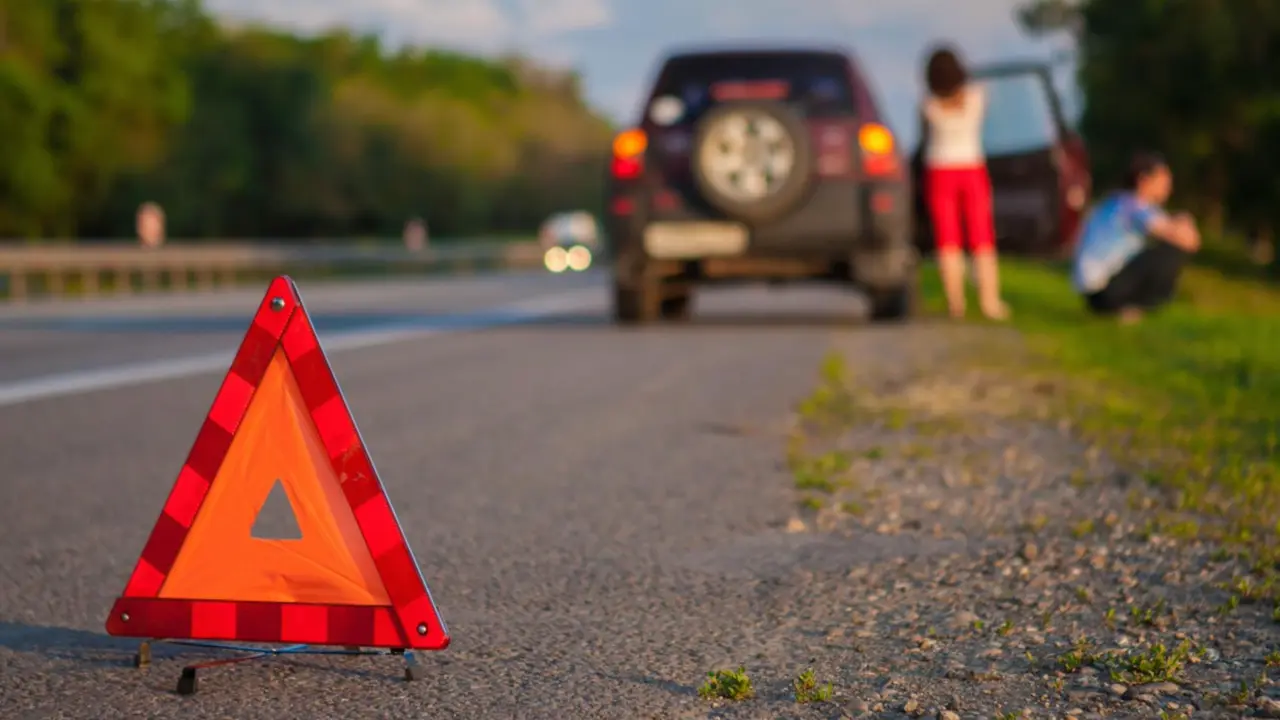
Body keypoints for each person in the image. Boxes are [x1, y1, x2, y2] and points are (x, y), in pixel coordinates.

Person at [920, 44, 1009, 321]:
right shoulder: (977, 98)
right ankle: (989, 301)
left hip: (939, 170)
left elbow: (923, 139)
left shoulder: (928, 106)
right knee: (982, 236)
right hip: (972, 169)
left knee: (948, 239)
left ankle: (955, 303)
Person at [1072, 152, 1200, 324]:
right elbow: (1188, 242)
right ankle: (1130, 307)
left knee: (1164, 248)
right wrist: (1185, 221)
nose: (1168, 188)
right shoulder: (1135, 205)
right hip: (1103, 291)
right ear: (1144, 179)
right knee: (1171, 252)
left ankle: (1126, 308)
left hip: (1093, 291)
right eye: (1163, 181)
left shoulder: (1117, 200)